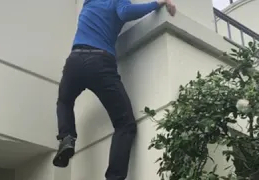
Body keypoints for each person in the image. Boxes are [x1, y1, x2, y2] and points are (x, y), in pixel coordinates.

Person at [53, 0, 176, 179]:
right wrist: (158, 2)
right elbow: (125, 12)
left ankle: (67, 137)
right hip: (99, 62)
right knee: (125, 124)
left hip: (74, 61)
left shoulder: (88, 3)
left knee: (64, 101)